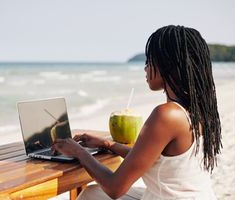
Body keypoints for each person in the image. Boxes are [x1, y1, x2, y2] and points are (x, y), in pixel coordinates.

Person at [52, 25, 222, 200]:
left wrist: (79, 152)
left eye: (149, 61)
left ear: (168, 65)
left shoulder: (166, 115)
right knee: (91, 193)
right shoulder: (199, 110)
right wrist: (108, 145)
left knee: (91, 196)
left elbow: (114, 188)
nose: (146, 68)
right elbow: (154, 159)